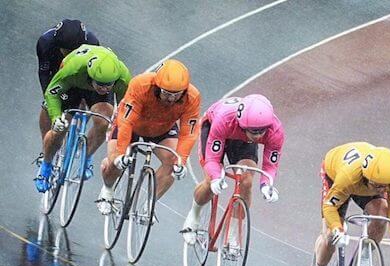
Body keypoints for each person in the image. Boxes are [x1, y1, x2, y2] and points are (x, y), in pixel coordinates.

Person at [307, 142, 390, 266]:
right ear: (366, 176)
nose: (382, 189)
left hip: (363, 184)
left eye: (385, 186)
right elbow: (329, 206)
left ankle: (365, 258)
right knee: (330, 236)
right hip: (336, 177)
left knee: (381, 214)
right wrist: (338, 229)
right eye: (377, 185)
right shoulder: (348, 176)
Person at [96, 59, 201, 214]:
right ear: (157, 86)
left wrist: (181, 161)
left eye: (176, 95)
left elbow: (189, 133)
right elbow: (126, 121)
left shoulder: (192, 96)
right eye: (166, 93)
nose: (171, 99)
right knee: (115, 161)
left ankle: (149, 204)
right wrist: (120, 153)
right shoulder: (141, 84)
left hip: (162, 127)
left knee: (173, 163)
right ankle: (107, 190)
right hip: (131, 124)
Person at [181, 94, 284, 244]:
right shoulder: (224, 120)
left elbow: (270, 165)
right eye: (255, 132)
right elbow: (212, 159)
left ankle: (234, 231)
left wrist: (266, 185)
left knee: (247, 180)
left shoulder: (275, 131)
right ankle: (194, 215)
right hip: (214, 128)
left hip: (243, 138)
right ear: (243, 125)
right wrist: (216, 177)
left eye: (263, 131)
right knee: (211, 180)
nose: (259, 136)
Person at [35, 45, 131, 192]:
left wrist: (116, 123)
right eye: (101, 84)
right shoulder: (73, 69)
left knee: (104, 121)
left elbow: (124, 107)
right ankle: (46, 165)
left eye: (108, 85)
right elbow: (51, 93)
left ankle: (87, 155)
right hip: (73, 84)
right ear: (91, 76)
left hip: (94, 90)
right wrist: (55, 119)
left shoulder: (122, 78)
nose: (104, 89)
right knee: (59, 129)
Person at [37, 19, 100, 140]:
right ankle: (45, 146)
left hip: (82, 70)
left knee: (87, 98)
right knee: (47, 104)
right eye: (66, 51)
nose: (69, 55)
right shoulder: (45, 42)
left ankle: (78, 134)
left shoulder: (93, 43)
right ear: (58, 45)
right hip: (57, 69)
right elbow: (44, 73)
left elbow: (95, 75)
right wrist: (49, 97)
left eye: (73, 52)